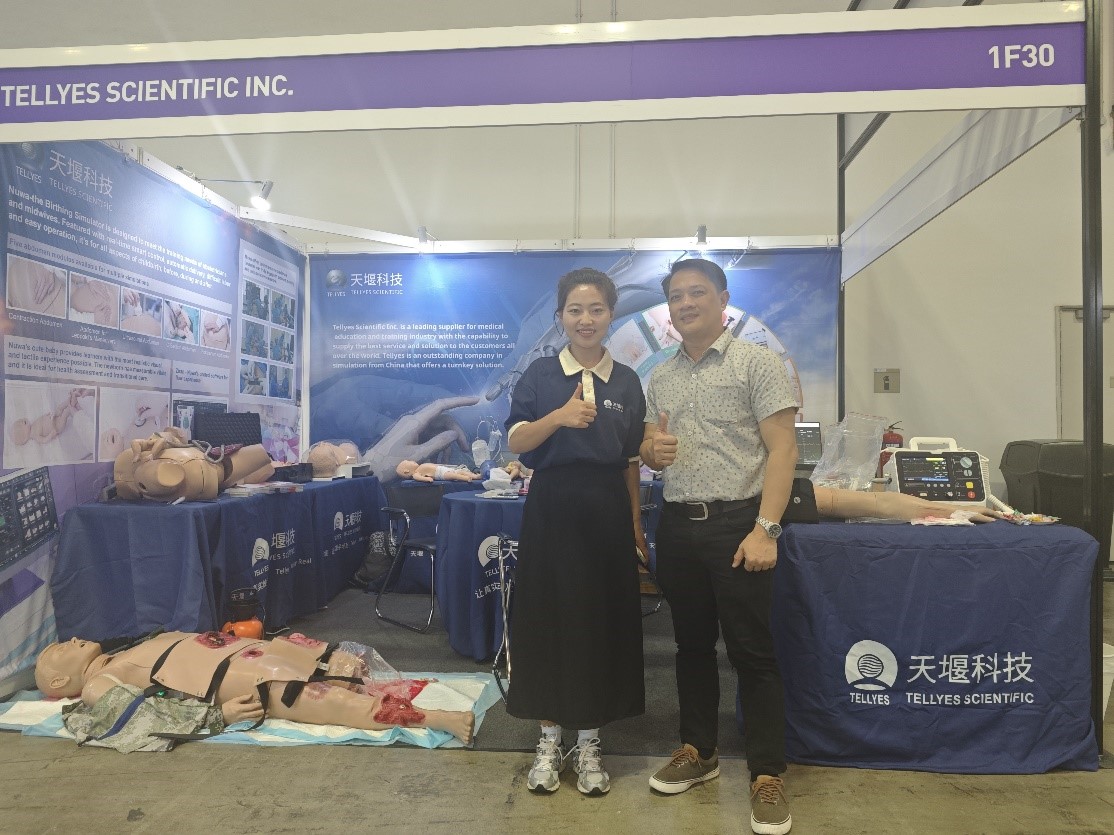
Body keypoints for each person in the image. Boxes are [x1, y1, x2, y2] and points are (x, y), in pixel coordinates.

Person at [639, 258, 800, 835]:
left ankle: (767, 773)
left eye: (697, 293)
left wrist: (766, 529)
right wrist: (652, 453)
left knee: (752, 652)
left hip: (739, 525)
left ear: (723, 298)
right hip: (678, 525)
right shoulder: (661, 375)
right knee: (690, 647)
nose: (686, 304)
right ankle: (698, 751)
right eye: (676, 296)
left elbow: (783, 450)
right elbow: (651, 447)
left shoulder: (757, 363)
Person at [504, 267, 648, 796]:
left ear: (611, 314)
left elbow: (630, 461)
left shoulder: (626, 380)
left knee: (599, 622)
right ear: (560, 316)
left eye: (596, 310)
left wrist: (635, 523)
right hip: (552, 510)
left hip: (607, 513)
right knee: (547, 620)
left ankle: (589, 742)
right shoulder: (541, 374)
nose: (586, 320)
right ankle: (549, 738)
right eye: (575, 310)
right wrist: (559, 418)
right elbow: (517, 442)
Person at [35, 632, 474, 746]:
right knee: (326, 699)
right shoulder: (97, 684)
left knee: (343, 670)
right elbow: (141, 718)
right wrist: (218, 716)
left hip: (244, 652)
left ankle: (409, 694)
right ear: (58, 682)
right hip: (237, 681)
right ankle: (441, 719)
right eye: (59, 649)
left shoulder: (124, 649)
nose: (70, 640)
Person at [114, 429, 275, 502]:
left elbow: (166, 438)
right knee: (249, 464)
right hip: (211, 474)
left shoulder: (153, 449)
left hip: (212, 471)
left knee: (259, 463)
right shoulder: (136, 458)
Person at [395, 459, 481, 482]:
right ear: (406, 471)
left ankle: (476, 476)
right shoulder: (415, 473)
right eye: (409, 462)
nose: (412, 461)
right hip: (440, 474)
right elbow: (418, 478)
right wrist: (427, 479)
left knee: (461, 471)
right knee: (454, 476)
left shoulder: (419, 467)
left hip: (444, 469)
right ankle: (466, 478)